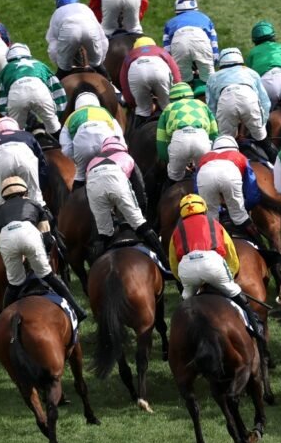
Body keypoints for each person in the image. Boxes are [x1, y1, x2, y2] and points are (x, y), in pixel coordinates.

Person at [169, 194, 265, 344]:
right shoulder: (214, 223)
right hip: (212, 263)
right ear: (204, 208)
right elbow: (230, 251)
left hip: (187, 267)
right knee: (235, 293)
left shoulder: (176, 230)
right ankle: (255, 325)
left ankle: (180, 338)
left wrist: (183, 280)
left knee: (185, 304)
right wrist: (230, 275)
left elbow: (173, 262)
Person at [0, 176, 87, 320]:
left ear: (4, 196)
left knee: (14, 284)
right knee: (49, 276)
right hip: (28, 235)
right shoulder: (34, 204)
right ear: (25, 192)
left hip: (6, 240)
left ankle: (4, 319)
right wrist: (44, 255)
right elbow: (47, 237)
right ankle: (78, 310)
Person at [85, 136, 167, 262]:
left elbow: (89, 189)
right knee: (140, 223)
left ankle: (96, 270)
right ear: (123, 147)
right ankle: (165, 263)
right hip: (115, 178)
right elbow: (140, 186)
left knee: (104, 233)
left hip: (93, 182)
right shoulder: (126, 157)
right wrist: (142, 213)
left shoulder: (92, 161)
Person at [206, 48, 277, 162]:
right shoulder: (251, 73)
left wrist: (219, 125)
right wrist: (261, 124)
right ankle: (277, 168)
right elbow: (265, 101)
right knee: (262, 139)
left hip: (226, 103)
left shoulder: (213, 77)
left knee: (225, 142)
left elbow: (211, 106)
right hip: (249, 99)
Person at [195, 135, 264, 246]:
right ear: (235, 148)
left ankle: (206, 246)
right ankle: (261, 246)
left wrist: (216, 207)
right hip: (230, 175)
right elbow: (251, 189)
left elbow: (196, 188)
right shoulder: (240, 156)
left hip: (205, 176)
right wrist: (244, 207)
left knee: (210, 220)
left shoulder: (205, 157)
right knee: (239, 216)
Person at [0, 43, 66, 137]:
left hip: (17, 98)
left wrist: (6, 115)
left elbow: (2, 98)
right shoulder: (40, 65)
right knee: (54, 128)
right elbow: (57, 89)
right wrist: (59, 113)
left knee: (17, 132)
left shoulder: (5, 70)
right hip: (41, 95)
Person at [156, 83, 218, 186]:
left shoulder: (168, 108)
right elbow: (214, 132)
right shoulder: (201, 104)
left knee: (174, 177)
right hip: (201, 139)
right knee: (204, 174)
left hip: (179, 140)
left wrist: (166, 158)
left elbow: (161, 139)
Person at [60, 91, 125, 189]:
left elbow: (66, 148)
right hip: (106, 147)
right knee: (120, 172)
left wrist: (76, 160)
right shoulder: (105, 113)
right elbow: (119, 136)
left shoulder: (71, 117)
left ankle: (75, 199)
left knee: (80, 176)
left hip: (82, 150)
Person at [0, 116, 49, 208]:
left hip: (1, 162)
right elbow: (42, 165)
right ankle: (45, 219)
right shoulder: (27, 135)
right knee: (37, 202)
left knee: (1, 206)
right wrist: (38, 188)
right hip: (25, 158)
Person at [46, 0, 109, 80]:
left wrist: (60, 64)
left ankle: (56, 92)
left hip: (70, 33)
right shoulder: (85, 8)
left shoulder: (57, 13)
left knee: (63, 69)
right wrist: (99, 61)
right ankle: (113, 88)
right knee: (98, 65)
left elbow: (53, 47)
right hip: (90, 30)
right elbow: (102, 38)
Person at [119, 37, 181, 126]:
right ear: (154, 45)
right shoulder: (161, 51)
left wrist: (133, 103)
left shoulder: (130, 55)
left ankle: (135, 133)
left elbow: (124, 84)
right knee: (167, 106)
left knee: (142, 110)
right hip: (159, 72)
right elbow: (176, 74)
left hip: (137, 72)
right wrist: (178, 96)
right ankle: (175, 126)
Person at [245, 21, 281, 110]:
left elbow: (250, 80)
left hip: (267, 83)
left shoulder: (252, 53)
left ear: (254, 40)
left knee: (262, 117)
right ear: (273, 36)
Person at [162, 0, 218, 84]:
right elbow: (213, 42)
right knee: (210, 80)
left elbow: (167, 49)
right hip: (201, 41)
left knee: (183, 82)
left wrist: (172, 67)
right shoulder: (205, 18)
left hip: (179, 44)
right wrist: (214, 60)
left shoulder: (170, 23)